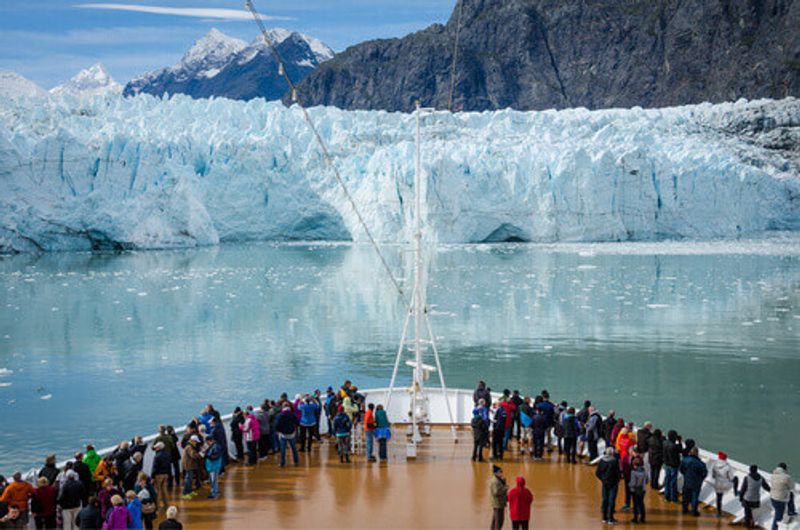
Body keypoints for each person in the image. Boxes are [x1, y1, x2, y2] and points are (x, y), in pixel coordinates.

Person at [679, 447, 708, 516]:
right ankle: (694, 511)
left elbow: (681, 470)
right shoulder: (701, 464)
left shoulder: (685, 460)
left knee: (685, 496)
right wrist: (700, 479)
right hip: (696, 483)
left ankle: (684, 509)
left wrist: (686, 475)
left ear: (690, 453)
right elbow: (704, 474)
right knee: (695, 497)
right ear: (697, 454)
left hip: (687, 481)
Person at [595, 447, 621, 524]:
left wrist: (602, 479)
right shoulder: (614, 461)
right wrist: (617, 480)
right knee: (611, 500)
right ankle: (610, 518)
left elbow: (597, 473)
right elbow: (618, 472)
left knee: (605, 499)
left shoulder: (602, 461)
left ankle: (604, 518)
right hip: (613, 483)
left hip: (605, 483)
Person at [740, 464, 770, 528]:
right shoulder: (761, 478)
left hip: (748, 499)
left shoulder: (747, 478)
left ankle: (749, 525)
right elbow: (766, 487)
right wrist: (773, 491)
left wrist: (741, 497)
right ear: (756, 470)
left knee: (747, 511)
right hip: (756, 500)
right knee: (750, 511)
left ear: (750, 470)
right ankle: (751, 522)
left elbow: (743, 489)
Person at [711, 451, 738, 518]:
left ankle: (718, 513)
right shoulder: (728, 466)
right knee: (736, 479)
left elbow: (713, 476)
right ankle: (736, 492)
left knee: (718, 498)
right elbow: (731, 477)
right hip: (725, 485)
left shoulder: (715, 465)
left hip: (717, 484)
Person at [769, 463, 795, 530]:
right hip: (780, 499)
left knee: (790, 495)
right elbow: (792, 487)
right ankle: (774, 528)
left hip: (772, 498)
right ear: (785, 469)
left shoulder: (773, 475)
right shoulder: (787, 477)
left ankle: (791, 511)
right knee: (778, 516)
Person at [150, 442, 170, 513]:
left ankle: (158, 508)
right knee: (164, 490)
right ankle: (167, 505)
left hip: (158, 475)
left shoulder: (157, 456)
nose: (155, 449)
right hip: (166, 474)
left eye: (156, 447)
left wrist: (152, 477)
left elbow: (154, 468)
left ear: (159, 448)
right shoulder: (167, 454)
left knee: (158, 492)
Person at [662, 430, 681, 502]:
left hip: (667, 464)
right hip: (673, 465)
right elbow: (680, 450)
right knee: (673, 482)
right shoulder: (674, 446)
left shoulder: (664, 443)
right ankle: (673, 498)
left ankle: (667, 496)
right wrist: (679, 441)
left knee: (667, 480)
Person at [629, 457, 648, 524]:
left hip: (635, 491)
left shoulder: (633, 472)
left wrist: (629, 485)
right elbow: (647, 481)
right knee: (641, 504)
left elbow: (633, 483)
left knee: (635, 505)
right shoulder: (644, 471)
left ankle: (635, 518)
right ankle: (642, 518)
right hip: (642, 490)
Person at [490, 466, 508, 530]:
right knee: (499, 520)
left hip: (498, 503)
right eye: (500, 472)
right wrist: (505, 488)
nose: (501, 473)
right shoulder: (495, 481)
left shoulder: (498, 479)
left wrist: (504, 482)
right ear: (496, 473)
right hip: (498, 503)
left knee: (495, 519)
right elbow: (496, 492)